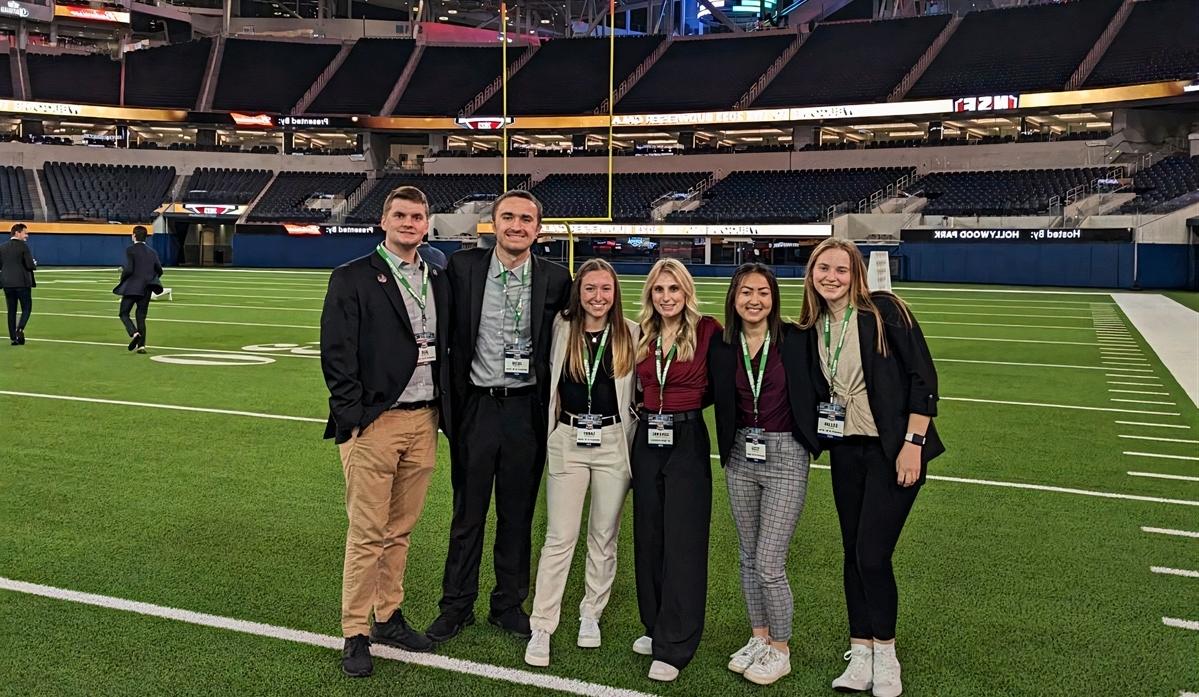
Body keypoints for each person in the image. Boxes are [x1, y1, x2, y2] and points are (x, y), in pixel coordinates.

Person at [796, 239, 944, 697]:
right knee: (851, 552)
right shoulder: (811, 325)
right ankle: (859, 650)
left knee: (872, 556)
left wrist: (912, 444)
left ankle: (887, 652)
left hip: (892, 449)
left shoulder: (884, 310)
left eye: (841, 269)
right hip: (846, 450)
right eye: (823, 268)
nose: (832, 277)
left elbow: (924, 378)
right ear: (811, 273)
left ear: (855, 272)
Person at [319, 186, 453, 678]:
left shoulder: (436, 274)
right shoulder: (352, 277)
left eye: (417, 216)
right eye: (400, 215)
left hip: (425, 419)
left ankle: (388, 615)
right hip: (377, 421)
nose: (409, 223)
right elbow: (336, 354)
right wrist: (354, 418)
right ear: (384, 219)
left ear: (427, 223)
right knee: (367, 532)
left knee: (400, 529)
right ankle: (354, 630)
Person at [427, 190, 571, 644]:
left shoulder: (556, 277)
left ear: (538, 229)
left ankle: (508, 603)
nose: (516, 225)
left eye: (526, 219)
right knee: (467, 513)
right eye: (508, 217)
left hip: (526, 410)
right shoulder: (464, 268)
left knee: (517, 514)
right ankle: (456, 605)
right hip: (477, 407)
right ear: (493, 224)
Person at [708, 263, 821, 686]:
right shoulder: (722, 345)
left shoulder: (795, 339)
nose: (754, 300)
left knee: (769, 562)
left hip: (786, 454)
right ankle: (759, 637)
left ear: (773, 298)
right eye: (745, 293)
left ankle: (781, 648)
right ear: (733, 299)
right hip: (740, 454)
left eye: (763, 292)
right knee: (746, 555)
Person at [524, 258, 639, 668]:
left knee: (604, 535)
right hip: (568, 439)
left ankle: (591, 612)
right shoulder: (561, 329)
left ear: (615, 293)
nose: (597, 297)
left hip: (612, 441)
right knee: (560, 537)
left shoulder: (631, 333)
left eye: (605, 289)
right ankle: (542, 624)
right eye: (589, 288)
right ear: (579, 292)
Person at [629, 258, 721, 683]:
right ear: (651, 294)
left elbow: (716, 389)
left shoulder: (707, 331)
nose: (667, 298)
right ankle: (656, 624)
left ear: (687, 293)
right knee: (649, 535)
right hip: (647, 439)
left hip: (686, 441)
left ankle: (677, 643)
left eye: (675, 290)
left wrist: (681, 412)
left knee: (683, 540)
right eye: (660, 290)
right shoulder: (641, 334)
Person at [113, 225, 164, 353]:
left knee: (124, 313)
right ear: (146, 237)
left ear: (134, 236)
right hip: (146, 288)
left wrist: (123, 278)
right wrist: (150, 278)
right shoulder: (152, 252)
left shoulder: (130, 250)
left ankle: (134, 333)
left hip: (132, 287)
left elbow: (129, 269)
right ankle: (141, 346)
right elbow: (160, 270)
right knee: (141, 317)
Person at [0, 223, 36, 346]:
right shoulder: (23, 247)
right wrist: (34, 263)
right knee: (27, 307)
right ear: (17, 233)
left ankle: (13, 338)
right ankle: (20, 328)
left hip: (7, 283)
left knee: (11, 310)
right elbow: (30, 265)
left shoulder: (2, 247)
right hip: (22, 282)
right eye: (25, 233)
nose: (27, 235)